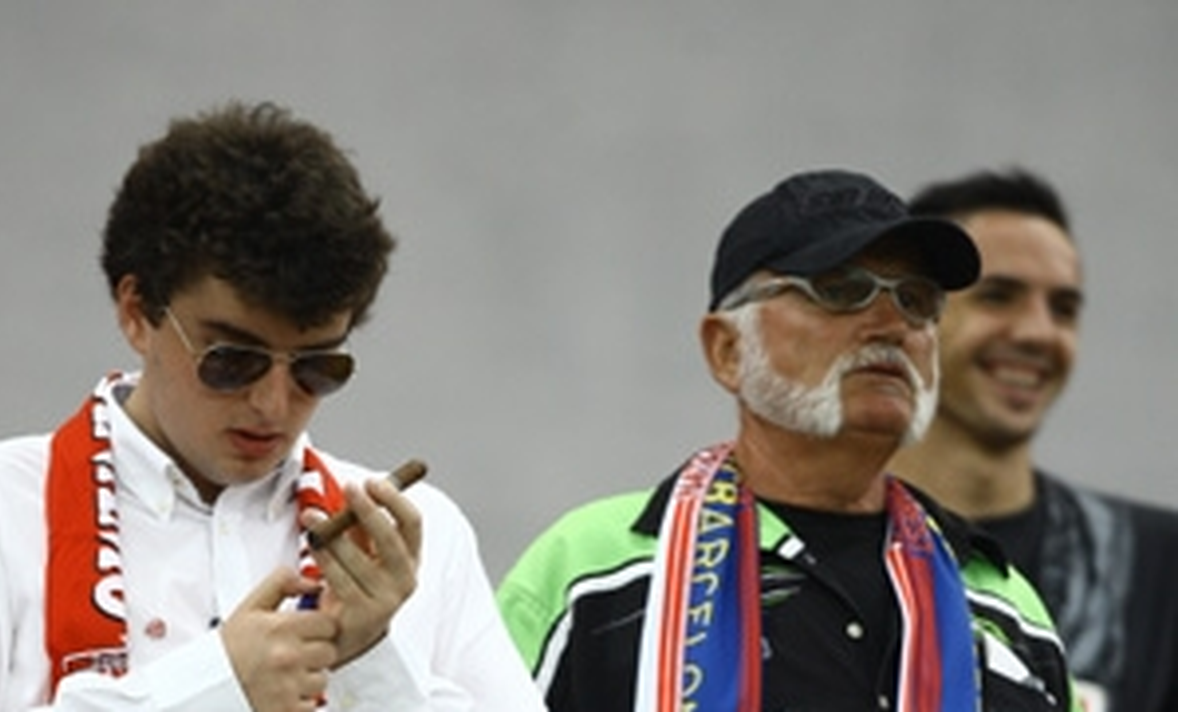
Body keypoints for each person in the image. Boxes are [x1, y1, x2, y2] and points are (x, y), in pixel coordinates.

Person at [0, 101, 544, 711]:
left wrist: (371, 666)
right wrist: (212, 689)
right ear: (136, 313)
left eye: (316, 368)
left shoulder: (416, 541)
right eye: (232, 360)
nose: (272, 404)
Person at [497, 169, 1076, 711]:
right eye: (840, 290)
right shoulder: (593, 573)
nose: (892, 325)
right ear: (728, 350)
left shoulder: (1003, 606)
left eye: (916, 301)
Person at [888, 167, 1178, 712]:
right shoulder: (801, 552)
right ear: (911, 315)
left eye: (1063, 309)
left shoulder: (1151, 568)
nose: (1037, 333)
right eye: (998, 296)